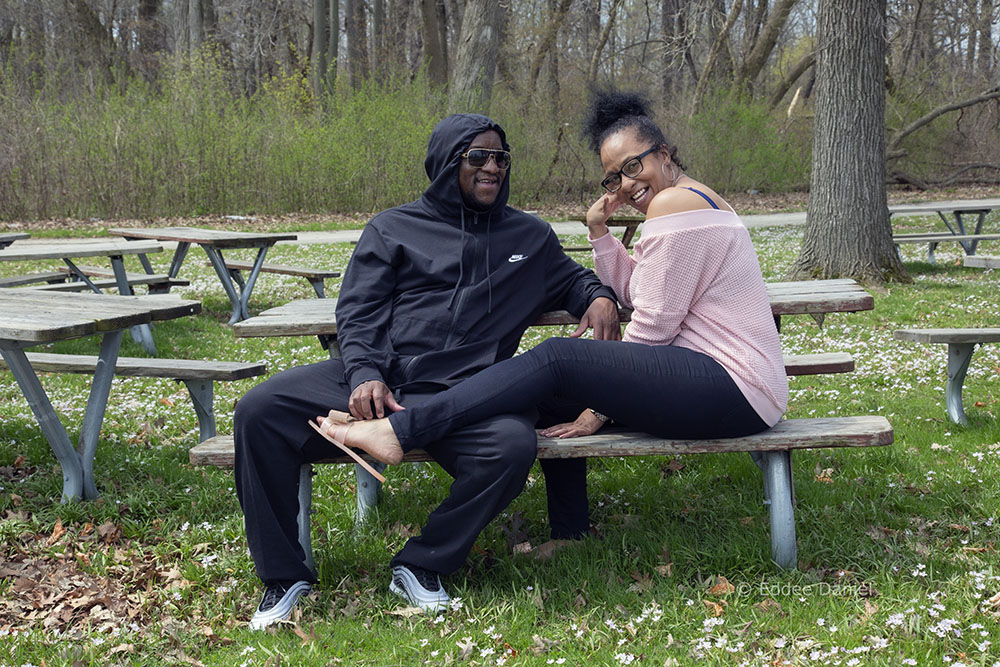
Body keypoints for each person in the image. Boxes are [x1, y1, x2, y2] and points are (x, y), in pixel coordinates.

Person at [312, 89, 791, 547]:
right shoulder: (696, 201)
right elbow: (637, 291)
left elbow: (655, 327)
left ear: (664, 153)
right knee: (554, 390)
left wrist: (600, 406)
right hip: (722, 383)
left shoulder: (674, 203)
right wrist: (599, 232)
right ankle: (570, 531)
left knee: (561, 358)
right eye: (613, 176)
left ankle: (399, 431)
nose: (627, 184)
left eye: (633, 165)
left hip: (734, 385)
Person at [234, 113, 620, 629]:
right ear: (446, 163)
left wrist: (598, 296)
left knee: (510, 447)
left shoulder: (527, 235)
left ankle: (423, 563)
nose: (492, 168)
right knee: (259, 410)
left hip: (468, 394)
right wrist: (365, 372)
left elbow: (572, 279)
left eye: (500, 158)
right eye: (477, 157)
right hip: (382, 381)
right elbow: (359, 311)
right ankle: (283, 577)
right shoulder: (393, 228)